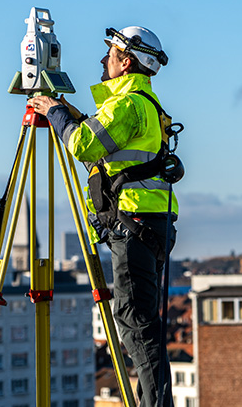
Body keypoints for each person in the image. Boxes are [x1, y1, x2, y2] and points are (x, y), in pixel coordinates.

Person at [29, 26, 177, 407]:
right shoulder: (141, 103)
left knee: (136, 325)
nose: (103, 59)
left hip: (135, 226)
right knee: (140, 323)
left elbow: (83, 143)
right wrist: (69, 112)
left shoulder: (127, 105)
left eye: (110, 53)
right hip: (146, 224)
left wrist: (56, 113)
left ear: (125, 62)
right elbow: (101, 138)